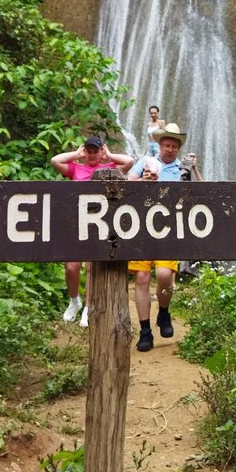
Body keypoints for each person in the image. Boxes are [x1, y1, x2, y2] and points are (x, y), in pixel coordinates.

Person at [51, 136, 134, 326]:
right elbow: (55, 161)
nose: (92, 154)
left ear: (101, 152)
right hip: (76, 222)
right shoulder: (76, 168)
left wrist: (110, 155)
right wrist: (76, 154)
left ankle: (88, 308)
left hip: (99, 224)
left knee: (91, 267)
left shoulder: (110, 168)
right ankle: (75, 301)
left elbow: (129, 162)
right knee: (72, 267)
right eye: (88, 151)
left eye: (95, 151)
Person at [128, 124, 186, 350]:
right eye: (166, 145)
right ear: (159, 145)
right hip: (141, 226)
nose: (170, 149)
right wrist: (145, 180)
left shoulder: (182, 170)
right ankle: (145, 331)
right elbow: (127, 183)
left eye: (174, 146)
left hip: (167, 227)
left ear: (178, 149)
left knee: (163, 275)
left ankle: (163, 312)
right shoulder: (145, 162)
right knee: (142, 278)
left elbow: (195, 194)